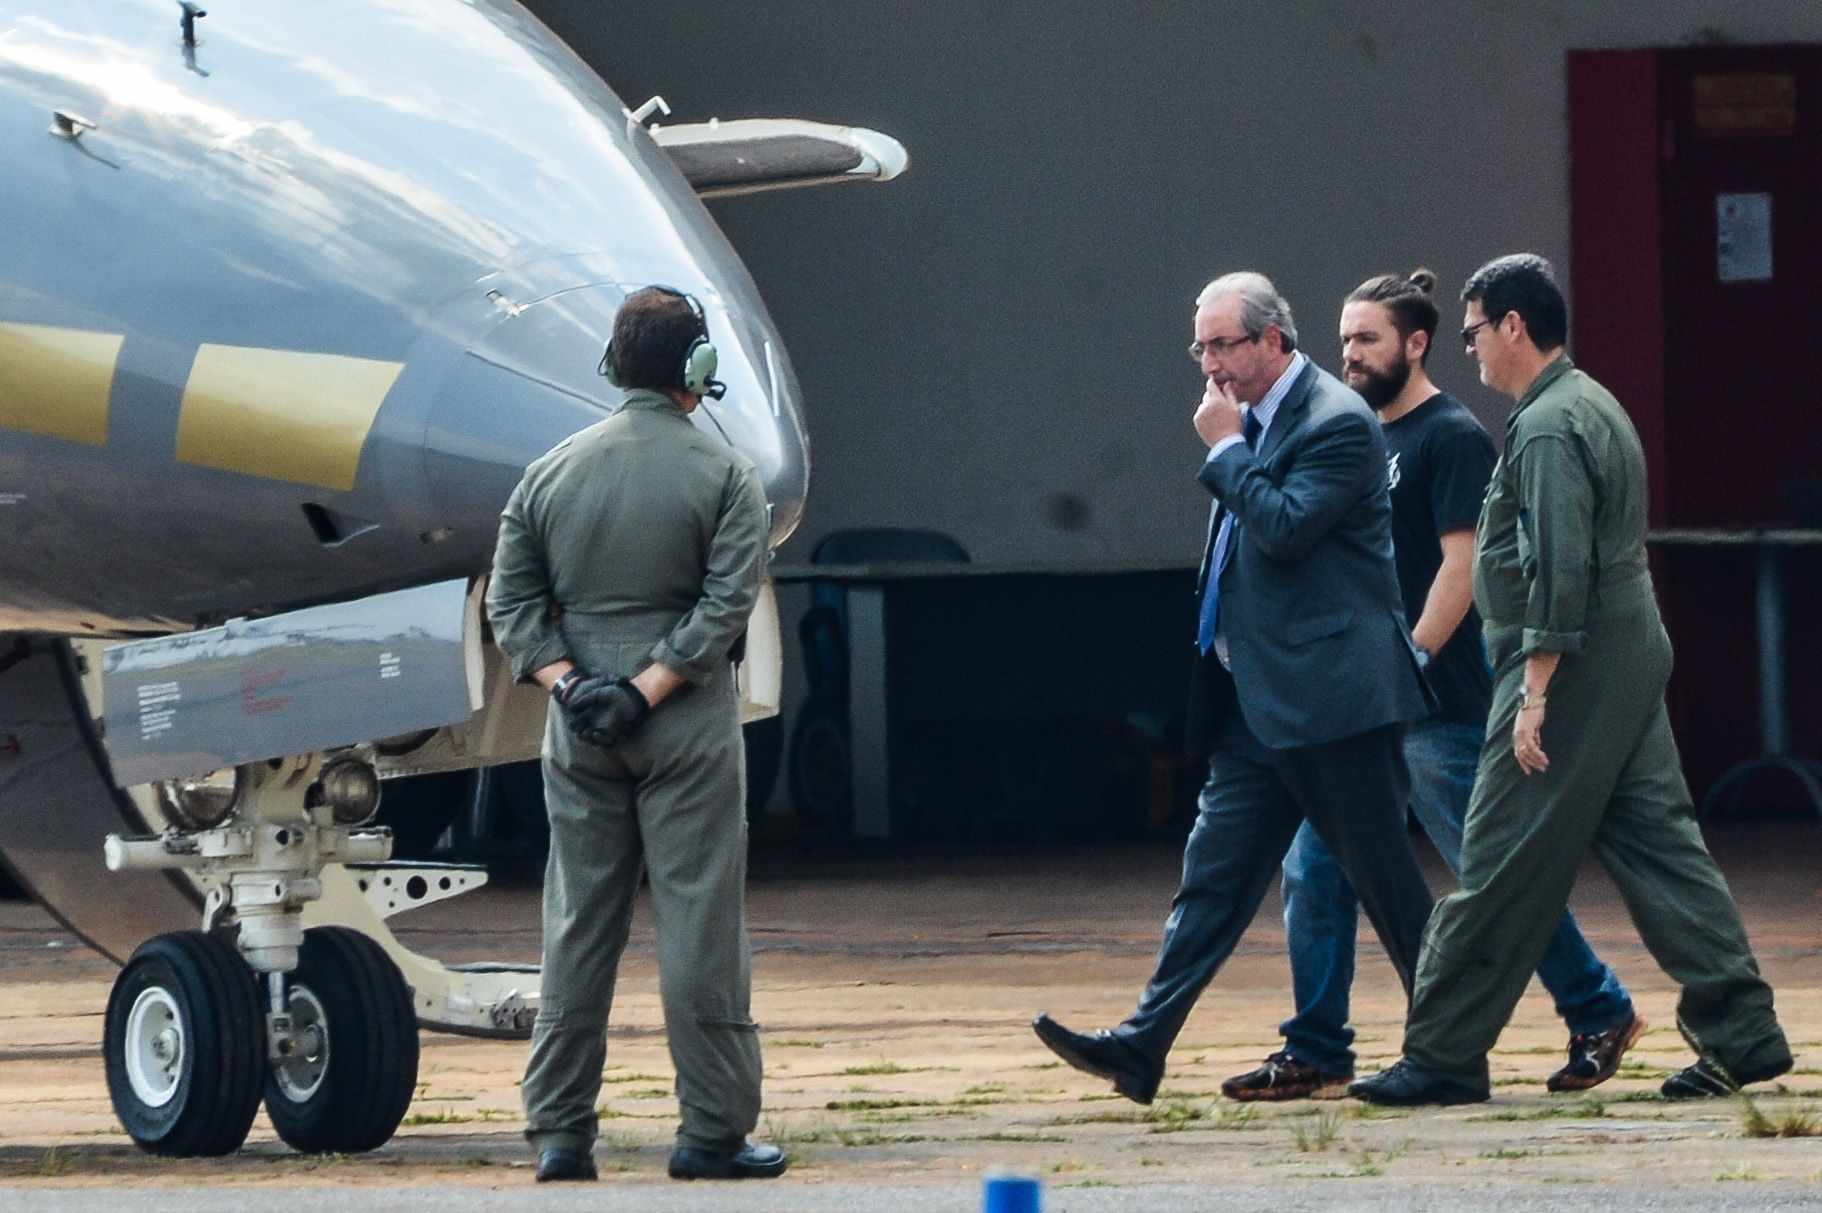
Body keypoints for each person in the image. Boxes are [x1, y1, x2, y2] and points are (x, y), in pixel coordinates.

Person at [1352, 254, 1792, 1107]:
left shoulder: (1550, 426)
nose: (1470, 348)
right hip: (1625, 652)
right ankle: (1743, 1034)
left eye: (1476, 331)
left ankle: (1442, 1052)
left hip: (1569, 663)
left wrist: (1535, 689)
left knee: (1497, 857)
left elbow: (1558, 571)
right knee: (1662, 849)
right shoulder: (1590, 401)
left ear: (1514, 326)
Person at [1225, 270, 1640, 1103]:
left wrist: (1406, 658)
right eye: (1343, 339)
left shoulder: (1449, 437)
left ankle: (1598, 1007)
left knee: (1487, 874)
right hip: (1360, 706)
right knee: (1315, 869)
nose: (1350, 354)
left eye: (1367, 339)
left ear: (1416, 344)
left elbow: (1462, 567)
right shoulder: (1349, 432)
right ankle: (1317, 1046)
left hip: (1432, 704)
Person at [1031, 272, 1436, 1103]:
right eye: (1200, 346)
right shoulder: (1253, 417)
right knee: (1213, 880)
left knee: (1388, 883)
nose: (1209, 364)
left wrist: (1225, 451)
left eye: (1223, 345)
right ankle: (1142, 1043)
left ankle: (1449, 1049)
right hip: (1258, 700)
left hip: (1334, 700)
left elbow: (1286, 528)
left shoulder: (1336, 421)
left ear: (1274, 341)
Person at [486, 285, 786, 1180]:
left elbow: (512, 601)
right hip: (683, 719)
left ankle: (560, 1133)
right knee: (699, 923)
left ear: (613, 367)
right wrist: (648, 688)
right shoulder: (726, 476)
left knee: (577, 922)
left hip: (579, 726)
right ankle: (710, 1131)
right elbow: (728, 600)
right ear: (698, 371)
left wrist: (573, 684)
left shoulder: (549, 473)